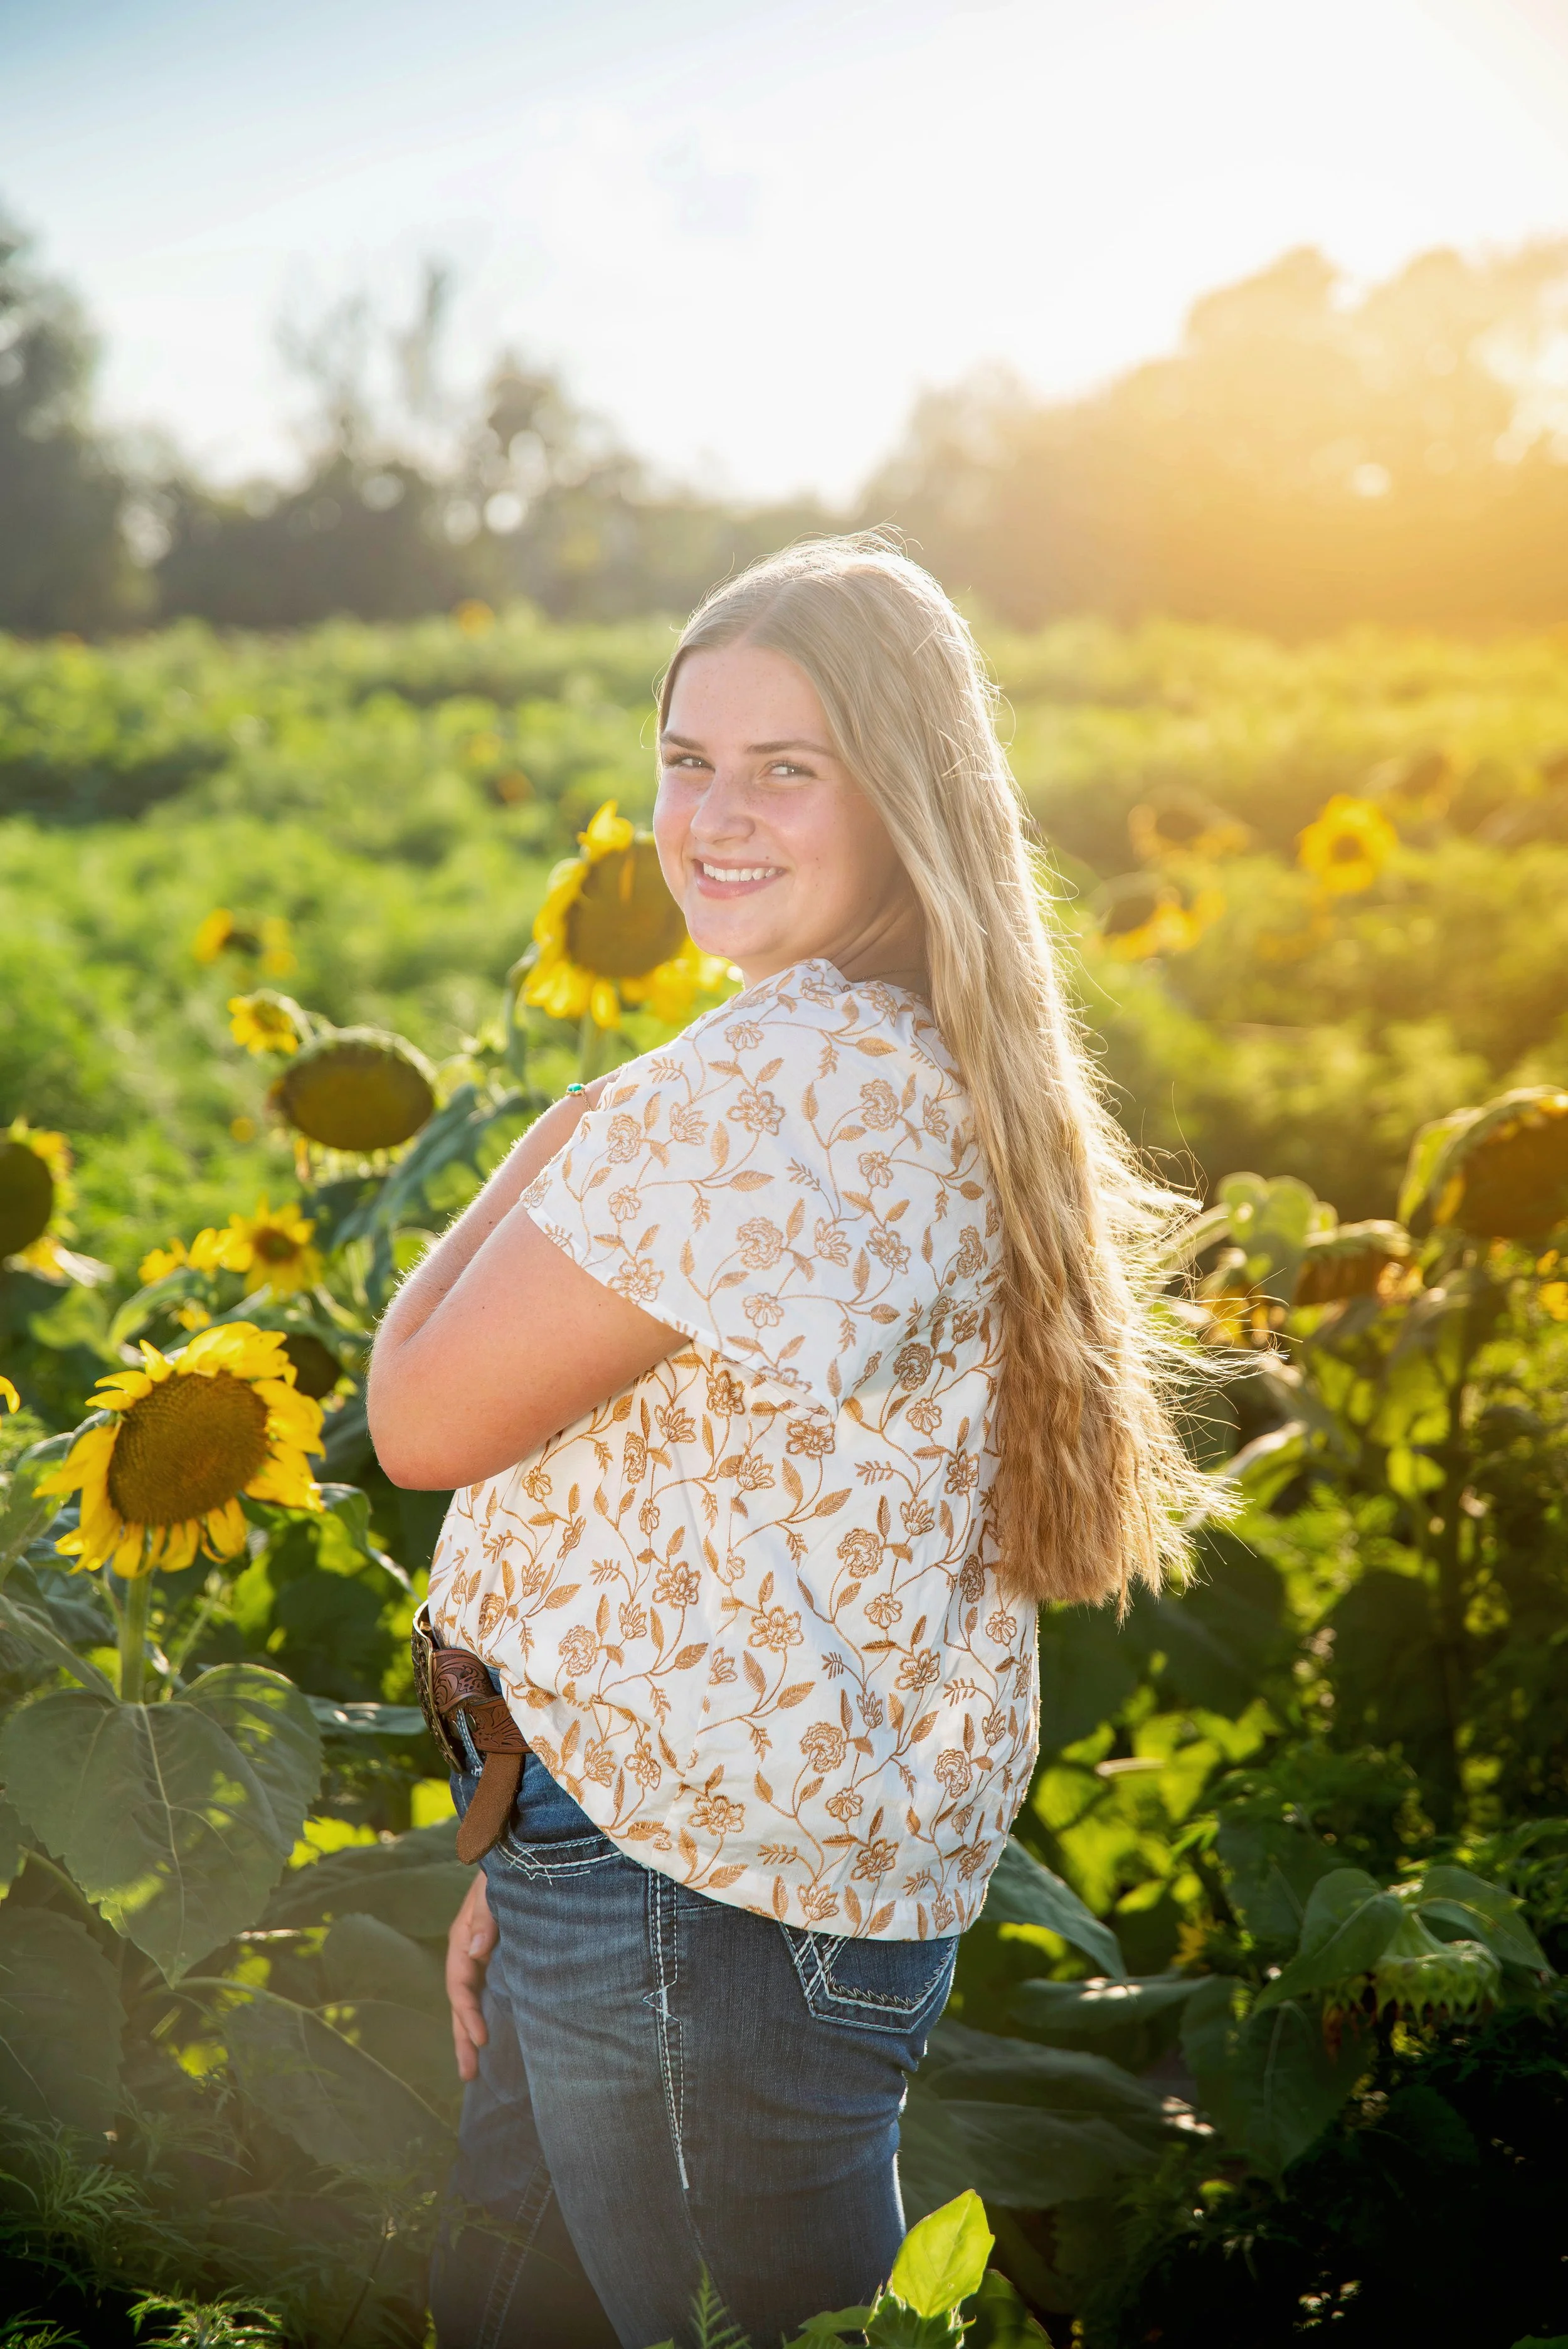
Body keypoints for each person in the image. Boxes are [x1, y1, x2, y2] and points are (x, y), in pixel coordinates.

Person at [367, 535, 1210, 2348]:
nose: (710, 815)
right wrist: (535, 1841)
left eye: (784, 767)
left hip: (688, 1891)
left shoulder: (757, 1090)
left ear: (897, 795)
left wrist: (558, 1132)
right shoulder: (905, 1049)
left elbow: (416, 1417)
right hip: (675, 1840)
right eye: (686, 760)